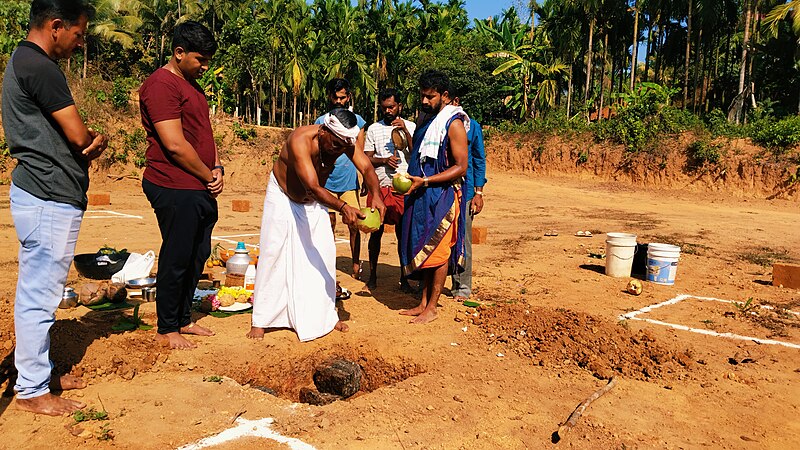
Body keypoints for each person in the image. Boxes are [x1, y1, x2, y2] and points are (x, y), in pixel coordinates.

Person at [3, 0, 108, 415]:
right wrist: (93, 142)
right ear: (56, 25)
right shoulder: (42, 67)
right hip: (47, 194)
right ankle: (30, 390)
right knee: (39, 296)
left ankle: (37, 372)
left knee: (40, 291)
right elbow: (79, 135)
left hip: (44, 191)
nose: (79, 44)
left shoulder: (24, 61)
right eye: (78, 35)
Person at [247, 109, 385, 341]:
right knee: (273, 253)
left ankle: (326, 315)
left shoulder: (343, 142)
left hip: (312, 202)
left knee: (324, 251)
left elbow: (367, 168)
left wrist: (376, 194)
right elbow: (312, 186)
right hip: (283, 197)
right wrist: (343, 207)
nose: (338, 150)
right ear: (323, 131)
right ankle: (261, 320)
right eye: (335, 144)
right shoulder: (300, 140)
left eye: (343, 146)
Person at [139, 21, 222, 350]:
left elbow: (203, 134)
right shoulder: (161, 85)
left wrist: (216, 168)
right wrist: (206, 175)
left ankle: (183, 317)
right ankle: (167, 326)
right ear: (178, 53)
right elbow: (173, 144)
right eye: (200, 60)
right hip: (173, 184)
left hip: (198, 184)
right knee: (177, 254)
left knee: (199, 253)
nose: (204, 67)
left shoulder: (192, 85)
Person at [399, 70, 469, 324]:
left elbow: (461, 166)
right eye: (423, 96)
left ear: (445, 96)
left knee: (438, 251)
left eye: (430, 97)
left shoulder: (455, 124)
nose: (425, 101)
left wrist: (426, 180)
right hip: (421, 192)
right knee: (425, 247)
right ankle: (422, 303)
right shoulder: (427, 119)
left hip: (442, 195)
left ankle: (433, 307)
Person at [314, 79, 367, 280]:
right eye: (335, 97)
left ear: (348, 97)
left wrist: (365, 181)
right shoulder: (321, 121)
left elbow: (360, 154)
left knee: (353, 223)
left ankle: (355, 263)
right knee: (328, 224)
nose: (338, 101)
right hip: (326, 181)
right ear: (329, 97)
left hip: (348, 181)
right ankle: (328, 263)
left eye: (342, 97)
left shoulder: (358, 122)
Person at [364, 88, 416, 291]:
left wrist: (405, 131)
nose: (388, 111)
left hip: (403, 188)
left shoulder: (410, 125)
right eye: (384, 107)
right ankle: (373, 276)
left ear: (399, 107)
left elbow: (415, 151)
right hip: (380, 187)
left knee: (403, 234)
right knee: (375, 232)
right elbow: (366, 157)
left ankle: (404, 277)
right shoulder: (373, 129)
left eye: (391, 107)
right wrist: (384, 159)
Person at [449, 94, 486, 302]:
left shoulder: (473, 127)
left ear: (455, 100)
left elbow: (479, 160)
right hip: (442, 191)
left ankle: (461, 287)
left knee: (463, 241)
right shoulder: (437, 125)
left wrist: (478, 193)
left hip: (466, 192)